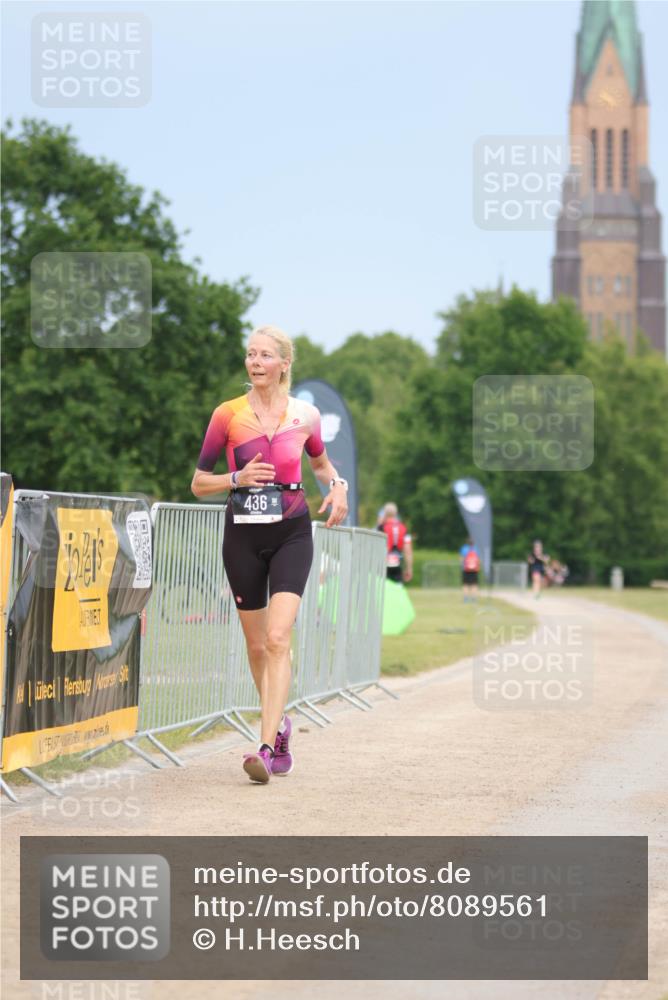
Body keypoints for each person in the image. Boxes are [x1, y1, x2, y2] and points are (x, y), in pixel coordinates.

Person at [191, 325, 348, 783]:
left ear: (283, 363)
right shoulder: (227, 415)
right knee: (257, 645)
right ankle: (280, 728)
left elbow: (320, 464)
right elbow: (199, 482)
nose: (255, 363)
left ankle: (264, 747)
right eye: (250, 355)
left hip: (292, 533)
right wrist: (234, 480)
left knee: (279, 638)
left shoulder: (305, 415)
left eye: (264, 356)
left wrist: (338, 487)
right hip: (241, 534)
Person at [377, 503, 413, 583]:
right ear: (396, 514)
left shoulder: (381, 527)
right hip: (398, 560)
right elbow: (408, 550)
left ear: (385, 513)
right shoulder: (403, 528)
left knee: (383, 587)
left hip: (384, 561)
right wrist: (409, 568)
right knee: (397, 586)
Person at [459, 537, 480, 602]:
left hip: (466, 569)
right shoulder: (476, 549)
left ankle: (466, 598)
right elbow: (478, 559)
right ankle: (474, 598)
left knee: (465, 584)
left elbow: (461, 559)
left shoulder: (464, 548)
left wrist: (461, 566)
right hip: (474, 570)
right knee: (474, 584)